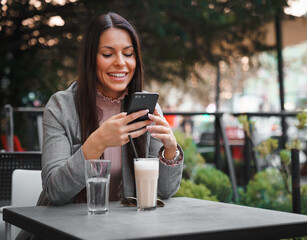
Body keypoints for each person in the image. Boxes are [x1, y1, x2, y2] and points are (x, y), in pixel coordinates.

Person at [17, 12, 183, 240]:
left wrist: (170, 150)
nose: (121, 63)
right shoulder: (61, 106)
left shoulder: (146, 107)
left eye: (128, 54)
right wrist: (98, 141)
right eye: (107, 54)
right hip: (62, 232)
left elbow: (163, 192)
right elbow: (55, 192)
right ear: (90, 58)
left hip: (125, 231)